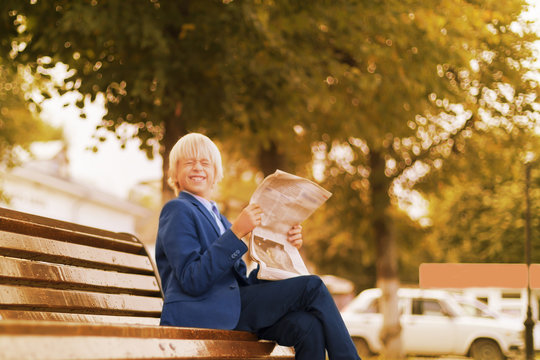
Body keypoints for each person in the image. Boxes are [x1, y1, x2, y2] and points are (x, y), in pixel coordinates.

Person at [155, 133, 361, 360]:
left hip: (232, 308)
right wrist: (236, 233)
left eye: (205, 163)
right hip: (202, 313)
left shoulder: (220, 219)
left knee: (307, 324)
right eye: (189, 163)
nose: (198, 168)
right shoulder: (177, 210)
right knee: (312, 286)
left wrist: (284, 246)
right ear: (174, 172)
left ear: (216, 174)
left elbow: (240, 282)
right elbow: (192, 278)